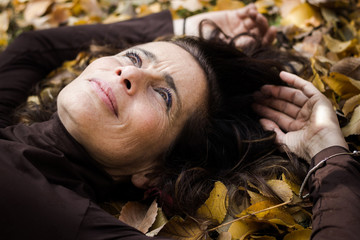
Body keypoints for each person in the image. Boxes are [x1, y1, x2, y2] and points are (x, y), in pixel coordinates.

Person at [0, 4, 359, 240]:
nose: (129, 74)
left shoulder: (59, 215)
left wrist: (328, 152)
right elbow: (32, 46)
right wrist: (187, 25)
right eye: (135, 57)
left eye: (163, 96)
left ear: (154, 172)